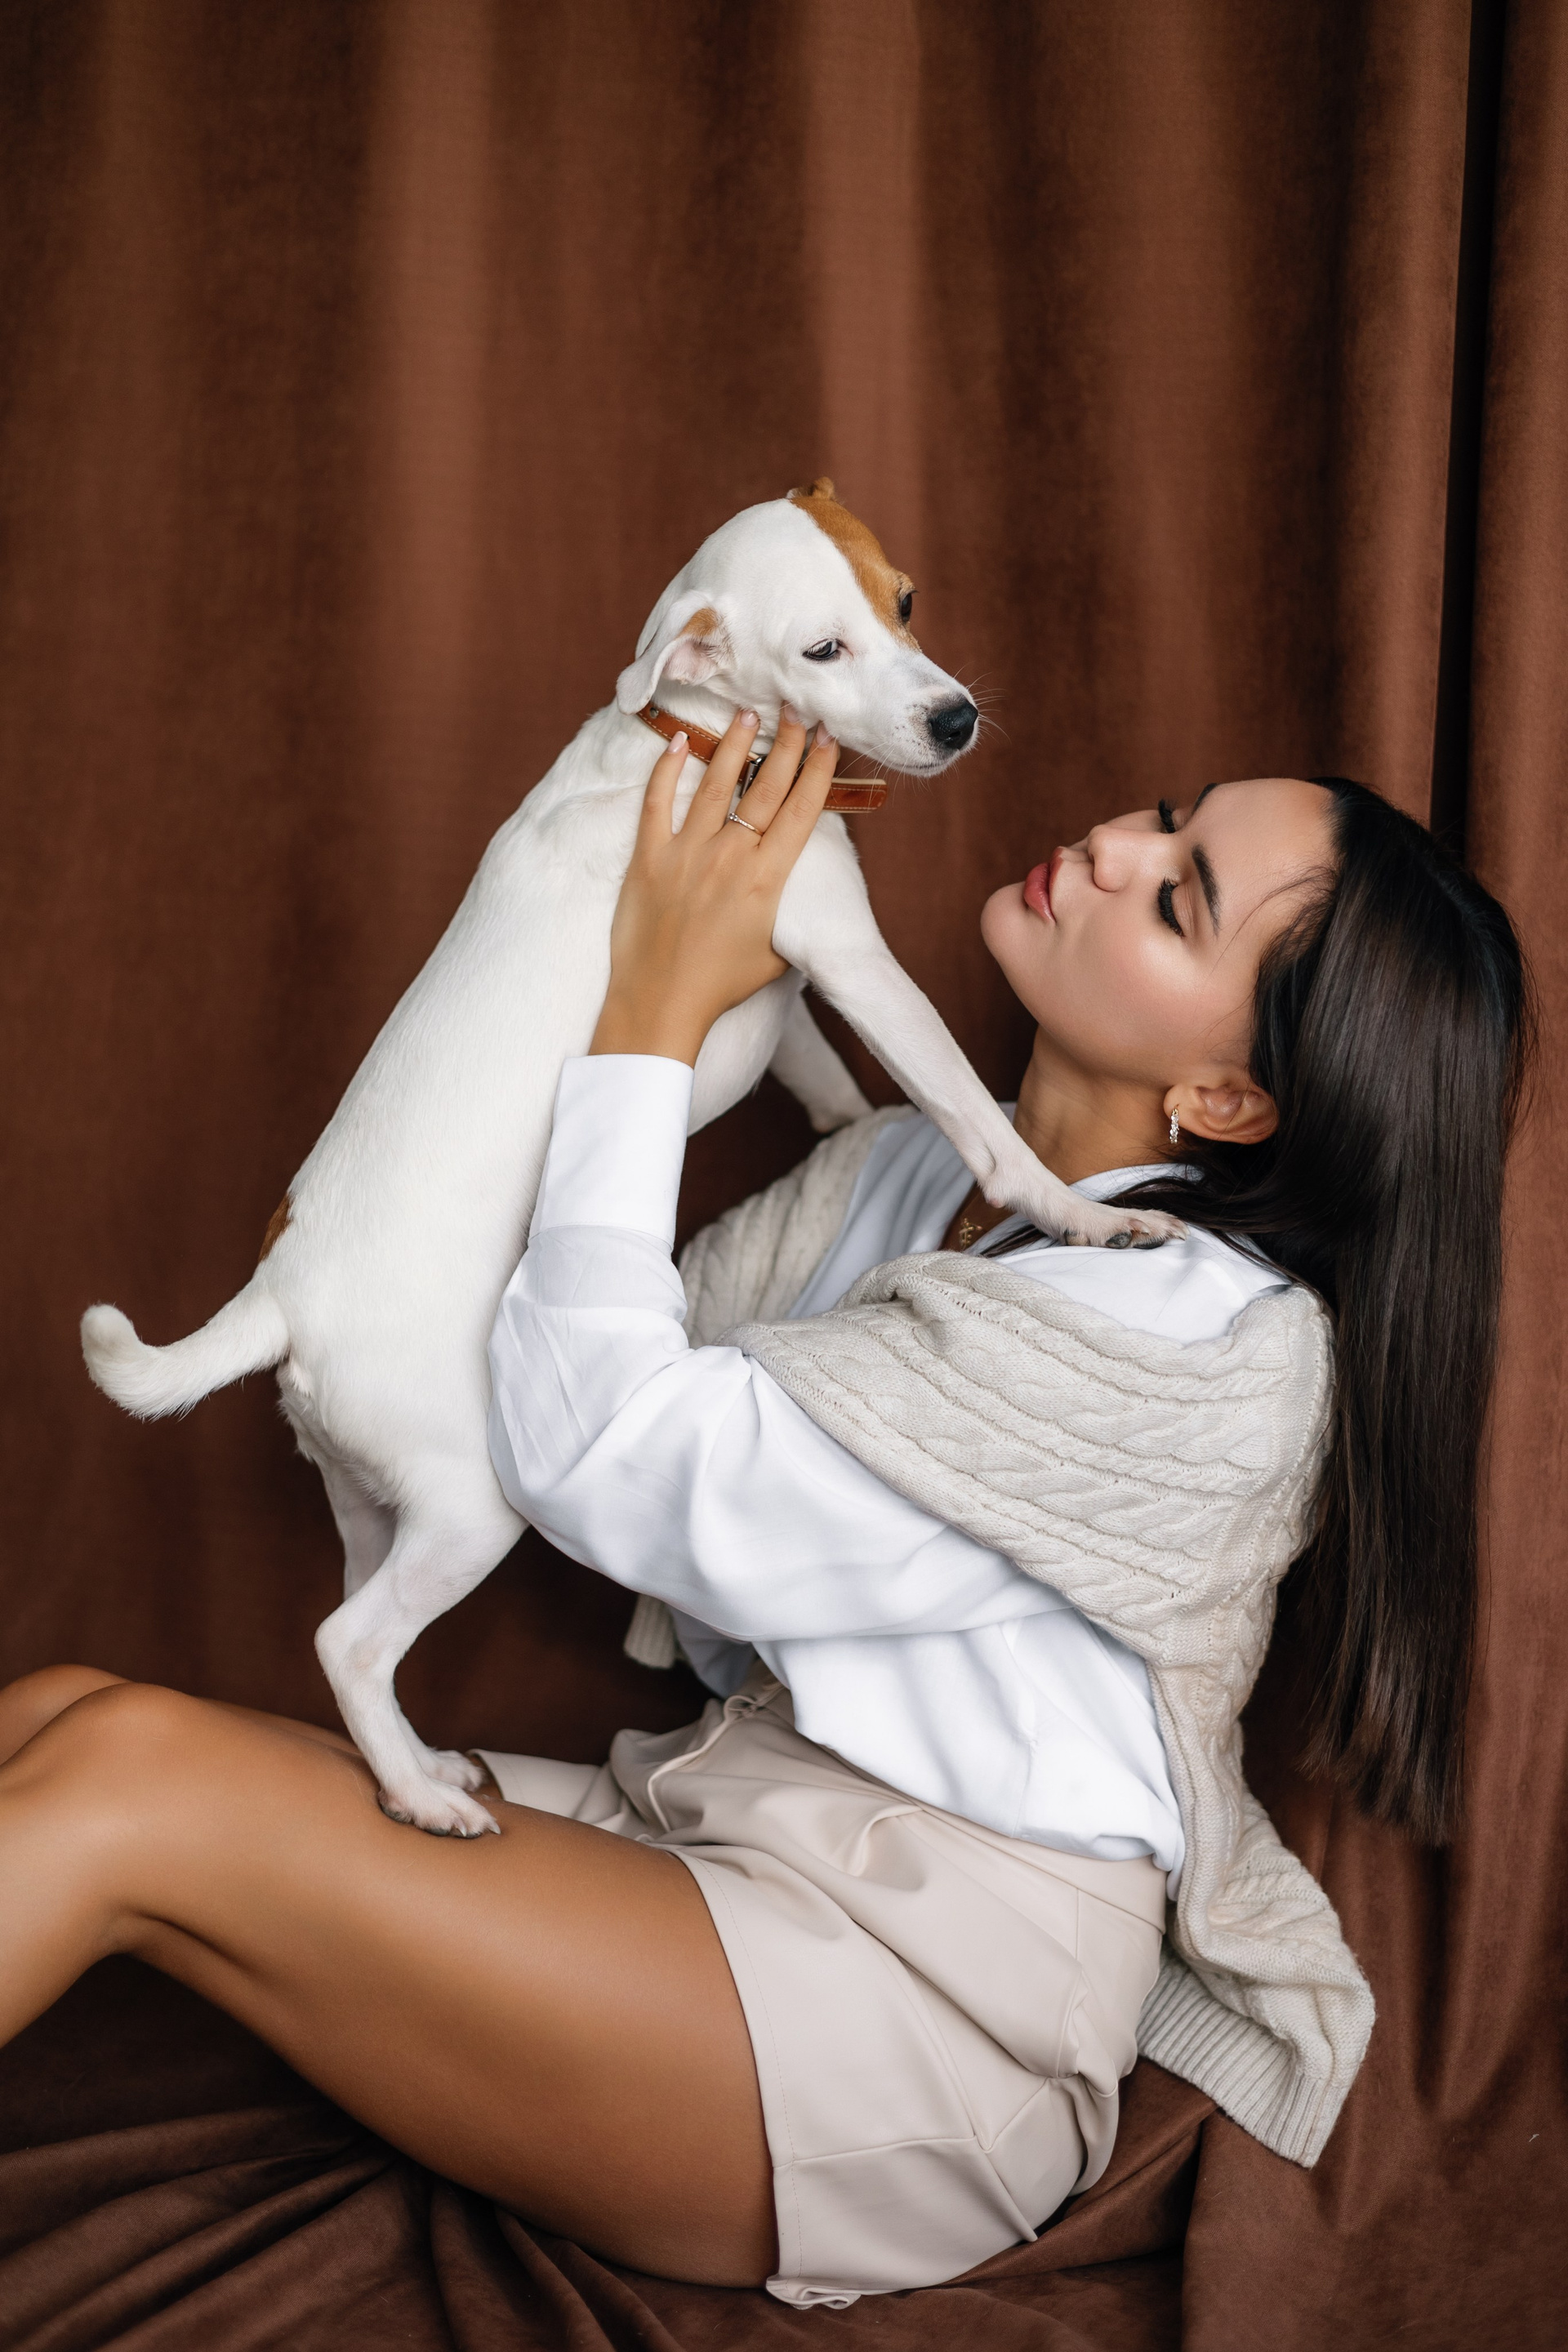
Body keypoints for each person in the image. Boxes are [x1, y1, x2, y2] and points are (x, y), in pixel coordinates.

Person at [0, 712, 1530, 2308]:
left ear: (1224, 1098)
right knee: (62, 1711)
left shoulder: (1204, 1347)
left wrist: (654, 1007)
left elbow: (614, 1452)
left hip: (918, 2021)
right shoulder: (899, 1177)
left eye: (1175, 896)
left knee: (126, 1784)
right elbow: (556, 1378)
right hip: (718, 1829)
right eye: (1163, 813)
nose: (1112, 845)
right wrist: (358, 1264)